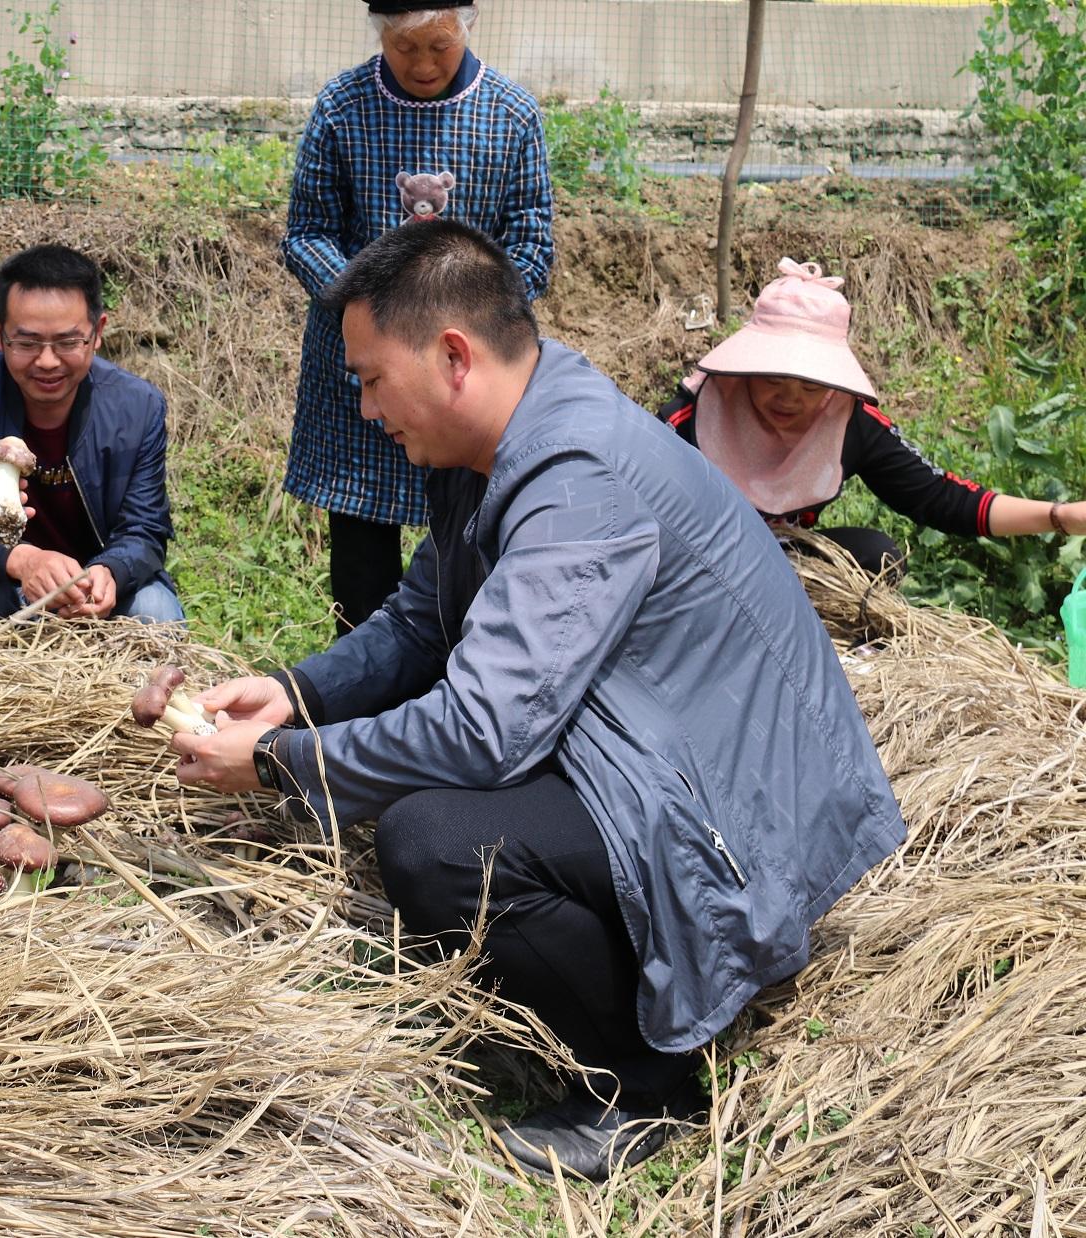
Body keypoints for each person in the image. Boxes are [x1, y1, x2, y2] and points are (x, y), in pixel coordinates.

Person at [169, 220, 906, 1181]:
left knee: (435, 844)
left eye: (370, 378)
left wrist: (278, 764)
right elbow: (420, 625)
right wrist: (293, 694)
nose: (362, 406)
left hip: (739, 814)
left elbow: (481, 731)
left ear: (453, 356)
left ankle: (644, 1089)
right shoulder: (504, 439)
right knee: (434, 806)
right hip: (663, 748)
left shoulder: (575, 475)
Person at [283, 0, 554, 635]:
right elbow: (307, 233)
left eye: (440, 46)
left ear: (468, 26)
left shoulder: (511, 116)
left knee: (470, 538)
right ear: (379, 35)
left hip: (464, 370)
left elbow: (533, 247)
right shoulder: (343, 107)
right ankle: (358, 687)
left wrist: (464, 317)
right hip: (361, 375)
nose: (424, 64)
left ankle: (463, 685)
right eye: (405, 48)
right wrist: (367, 301)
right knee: (361, 556)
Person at [662, 258, 1086, 574]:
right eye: (773, 379)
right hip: (698, 566)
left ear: (833, 385)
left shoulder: (851, 423)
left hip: (784, 568)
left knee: (876, 555)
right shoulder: (691, 418)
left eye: (811, 386)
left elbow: (941, 499)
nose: (789, 399)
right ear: (748, 367)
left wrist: (1060, 516)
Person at [0, 244, 182, 625]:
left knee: (156, 612)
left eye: (67, 342)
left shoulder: (138, 407)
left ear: (98, 332)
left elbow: (145, 527)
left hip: (93, 587)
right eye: (26, 343)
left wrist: (110, 573)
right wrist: (24, 561)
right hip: (0, 578)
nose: (47, 361)